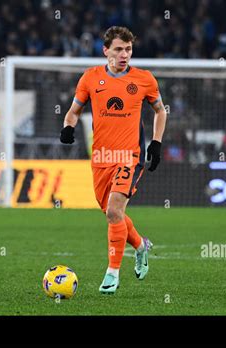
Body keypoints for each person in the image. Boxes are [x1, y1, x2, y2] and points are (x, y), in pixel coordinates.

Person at [60, 26, 167, 294]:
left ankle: (112, 273)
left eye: (128, 49)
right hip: (101, 158)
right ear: (106, 50)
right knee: (113, 214)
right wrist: (68, 128)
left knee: (114, 211)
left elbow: (160, 111)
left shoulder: (144, 79)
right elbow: (73, 111)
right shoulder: (90, 78)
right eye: (119, 49)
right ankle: (140, 245)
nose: (124, 54)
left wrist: (156, 142)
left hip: (129, 156)